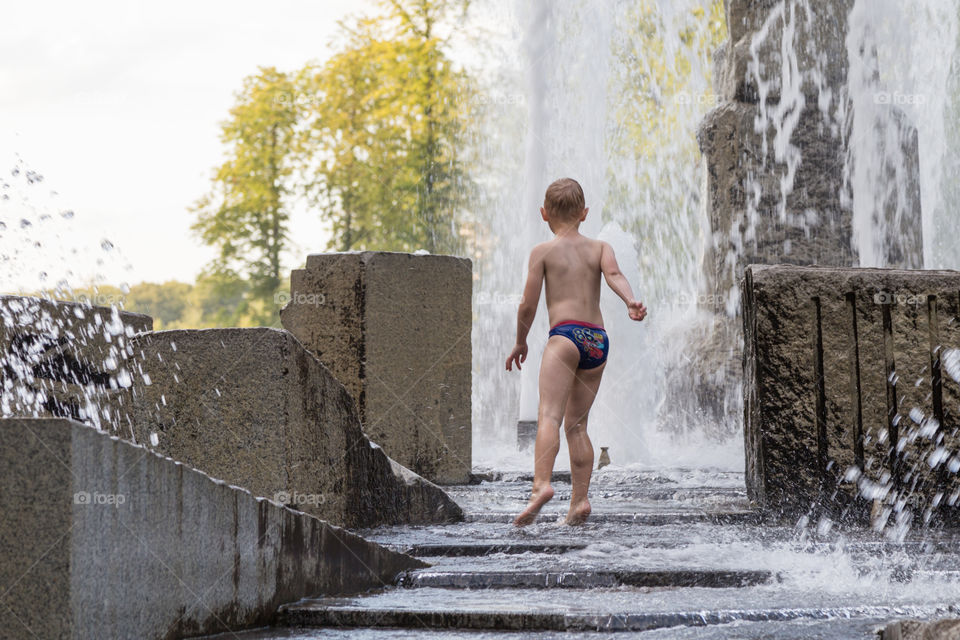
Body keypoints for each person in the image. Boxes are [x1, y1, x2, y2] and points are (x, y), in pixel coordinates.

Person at [505, 178, 647, 527]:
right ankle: (580, 501)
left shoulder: (542, 252)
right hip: (596, 341)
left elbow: (527, 305)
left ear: (544, 214)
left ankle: (541, 486)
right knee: (577, 425)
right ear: (585, 213)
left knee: (550, 416)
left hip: (565, 337)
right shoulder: (601, 248)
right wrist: (631, 300)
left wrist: (521, 340)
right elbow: (615, 275)